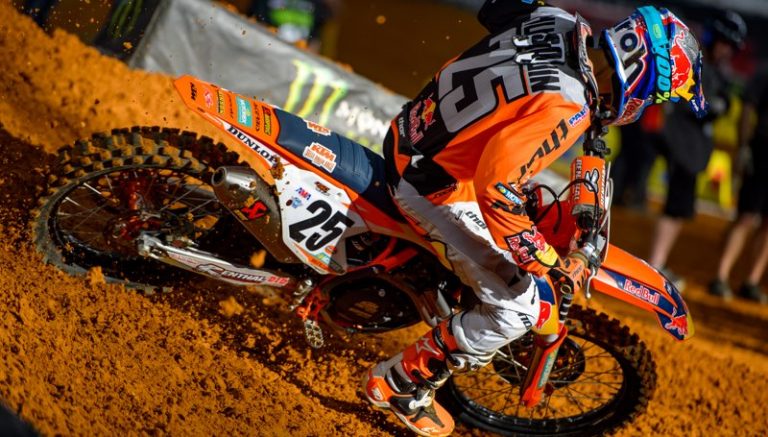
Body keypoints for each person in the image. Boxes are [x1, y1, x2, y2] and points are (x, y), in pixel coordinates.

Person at [362, 1, 706, 435]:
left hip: (418, 131)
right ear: (638, 72)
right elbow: (497, 192)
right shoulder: (565, 107)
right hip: (434, 185)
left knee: (532, 206)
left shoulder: (559, 20)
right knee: (520, 308)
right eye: (652, 94)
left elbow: (497, 9)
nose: (644, 104)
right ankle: (402, 383)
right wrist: (546, 261)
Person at [644, 10, 746, 288]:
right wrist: (715, 105)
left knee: (679, 210)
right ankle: (655, 264)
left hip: (692, 151)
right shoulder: (693, 62)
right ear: (712, 38)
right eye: (723, 42)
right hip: (681, 147)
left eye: (730, 46)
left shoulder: (717, 73)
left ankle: (658, 263)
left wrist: (720, 104)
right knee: (674, 208)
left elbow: (719, 104)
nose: (726, 50)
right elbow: (694, 104)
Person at [708, 64, 768, 304]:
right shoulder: (764, 73)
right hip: (762, 151)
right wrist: (743, 147)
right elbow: (747, 107)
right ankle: (720, 276)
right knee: (746, 216)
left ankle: (752, 281)